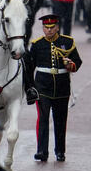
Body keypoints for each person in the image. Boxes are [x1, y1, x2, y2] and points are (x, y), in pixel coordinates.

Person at [30, 13, 82, 162]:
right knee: (43, 118)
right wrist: (30, 87)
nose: (49, 30)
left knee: (60, 120)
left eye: (52, 27)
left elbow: (77, 62)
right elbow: (30, 67)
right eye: (46, 27)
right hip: (42, 87)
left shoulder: (67, 42)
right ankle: (42, 151)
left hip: (61, 87)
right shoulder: (37, 44)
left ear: (57, 27)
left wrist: (70, 65)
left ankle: (60, 151)